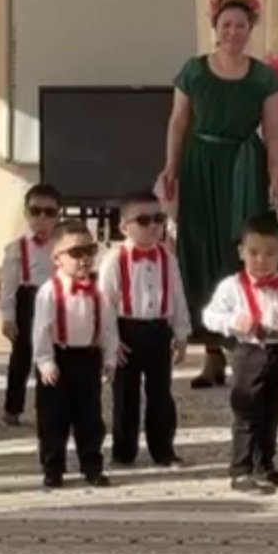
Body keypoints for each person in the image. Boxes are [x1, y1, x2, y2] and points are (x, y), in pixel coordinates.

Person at [160, 0, 278, 389]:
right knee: (201, 248)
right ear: (215, 27)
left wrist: (277, 174)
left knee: (245, 246)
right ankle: (212, 354)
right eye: (226, 25)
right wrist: (172, 167)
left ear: (250, 29)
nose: (233, 32)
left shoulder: (263, 76)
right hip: (200, 164)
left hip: (244, 165)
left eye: (241, 25)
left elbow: (274, 129)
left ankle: (252, 346)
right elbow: (178, 121)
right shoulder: (193, 71)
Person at [202, 213, 278, 494]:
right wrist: (234, 321)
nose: (261, 260)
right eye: (254, 252)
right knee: (246, 412)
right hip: (248, 353)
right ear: (241, 252)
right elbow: (209, 316)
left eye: (270, 253)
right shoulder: (231, 286)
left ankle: (264, 464)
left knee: (273, 411)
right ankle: (241, 469)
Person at [97, 191, 190, 467]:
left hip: (159, 331)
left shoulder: (168, 259)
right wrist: (111, 342)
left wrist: (181, 333)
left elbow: (178, 297)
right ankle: (124, 452)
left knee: (161, 394)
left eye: (158, 219)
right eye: (143, 220)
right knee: (125, 395)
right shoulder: (114, 259)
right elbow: (105, 303)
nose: (153, 226)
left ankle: (163, 450)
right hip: (127, 331)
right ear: (124, 226)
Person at [32, 219, 117, 489]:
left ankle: (92, 465)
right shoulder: (49, 291)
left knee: (90, 416)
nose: (84, 259)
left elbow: (108, 327)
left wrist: (110, 358)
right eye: (76, 252)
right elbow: (41, 329)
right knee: (53, 418)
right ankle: (53, 467)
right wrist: (45, 361)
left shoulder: (98, 292)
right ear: (57, 258)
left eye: (90, 251)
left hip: (87, 358)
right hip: (59, 356)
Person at [0, 183, 61, 427]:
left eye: (49, 212)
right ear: (26, 213)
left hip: (57, 301)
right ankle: (13, 407)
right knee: (21, 357)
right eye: (36, 211)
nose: (42, 218)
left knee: (54, 355)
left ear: (58, 215)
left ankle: (51, 407)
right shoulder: (17, 247)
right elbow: (8, 286)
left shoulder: (63, 244)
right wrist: (8, 317)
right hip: (28, 300)